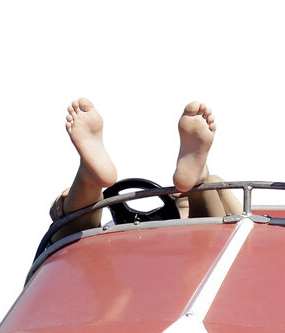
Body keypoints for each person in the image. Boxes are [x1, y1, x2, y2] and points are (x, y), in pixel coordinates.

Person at [50, 98, 240, 240]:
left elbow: (244, 224)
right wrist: (61, 204)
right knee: (73, 230)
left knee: (215, 223)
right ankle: (88, 180)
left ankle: (88, 180)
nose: (176, 194)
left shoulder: (216, 189)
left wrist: (215, 185)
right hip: (115, 241)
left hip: (196, 241)